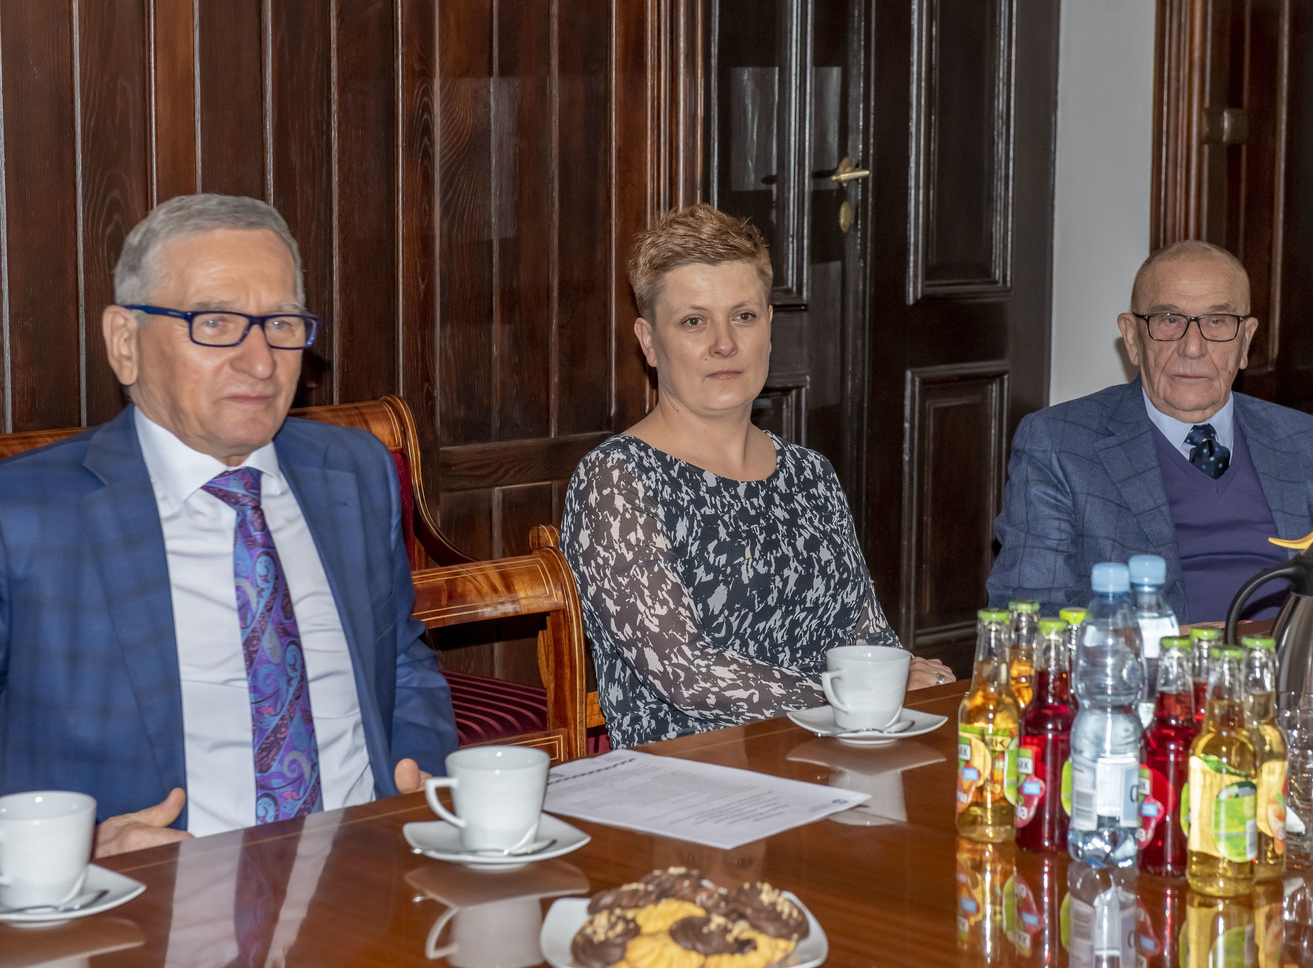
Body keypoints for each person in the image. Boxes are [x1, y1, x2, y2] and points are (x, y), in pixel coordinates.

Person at [0, 194, 456, 857]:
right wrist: (61, 848)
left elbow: (401, 662)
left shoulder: (354, 471)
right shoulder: (23, 512)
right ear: (125, 342)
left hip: (368, 870)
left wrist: (420, 773)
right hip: (148, 893)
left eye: (281, 323)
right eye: (214, 322)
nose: (261, 362)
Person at [560, 204, 952, 748]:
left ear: (769, 326)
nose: (724, 343)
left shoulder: (810, 473)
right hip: (693, 773)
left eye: (742, 316)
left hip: (834, 751)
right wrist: (855, 696)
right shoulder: (616, 481)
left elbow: (866, 633)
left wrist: (900, 674)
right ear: (648, 342)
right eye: (694, 321)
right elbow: (687, 675)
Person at [987, 240, 1313, 623]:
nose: (1192, 347)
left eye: (1217, 321)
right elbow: (1027, 617)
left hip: (1290, 658)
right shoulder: (1059, 444)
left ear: (1245, 341)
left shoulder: (1312, 442)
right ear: (1132, 338)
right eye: (1169, 320)